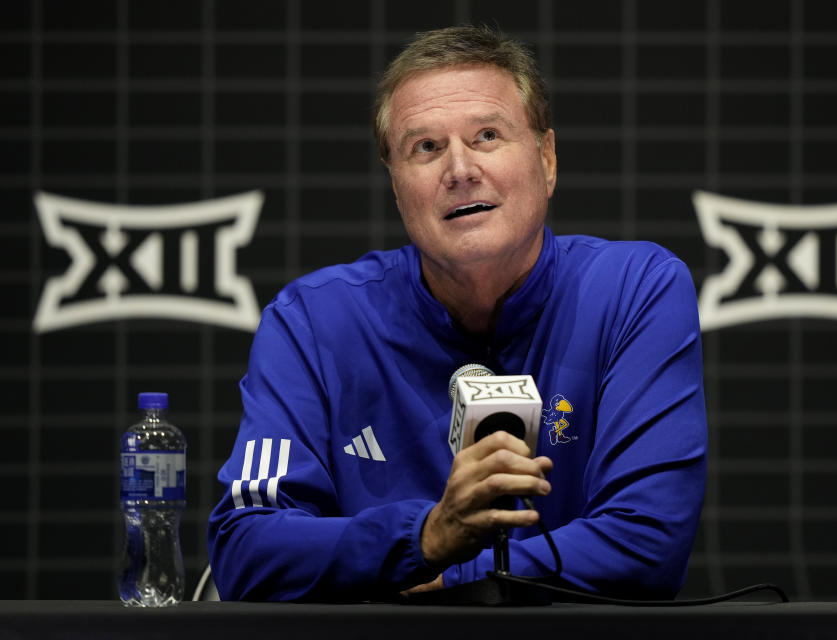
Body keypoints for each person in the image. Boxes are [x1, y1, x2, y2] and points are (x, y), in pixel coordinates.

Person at [208, 24, 707, 602]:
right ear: (396, 187)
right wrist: (425, 537)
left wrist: (458, 574)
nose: (460, 169)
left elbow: (649, 541)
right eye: (426, 147)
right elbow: (244, 548)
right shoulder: (313, 322)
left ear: (547, 160)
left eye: (487, 135)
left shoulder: (633, 290)